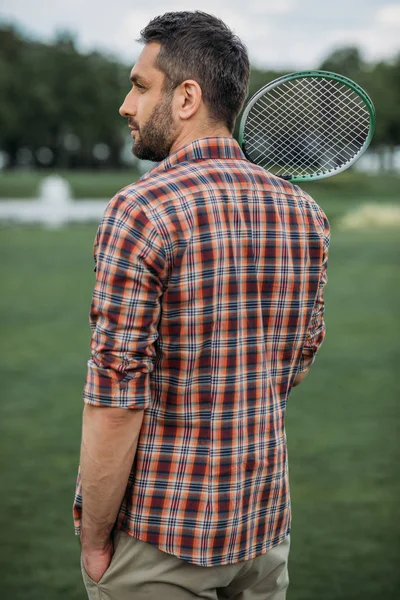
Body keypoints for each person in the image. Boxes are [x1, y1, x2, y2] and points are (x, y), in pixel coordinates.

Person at [73, 10, 329, 600]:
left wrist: (94, 539)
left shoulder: (141, 209)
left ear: (186, 97)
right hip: (263, 536)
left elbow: (115, 402)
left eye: (140, 85)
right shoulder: (305, 214)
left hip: (161, 542)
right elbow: (298, 362)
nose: (125, 105)